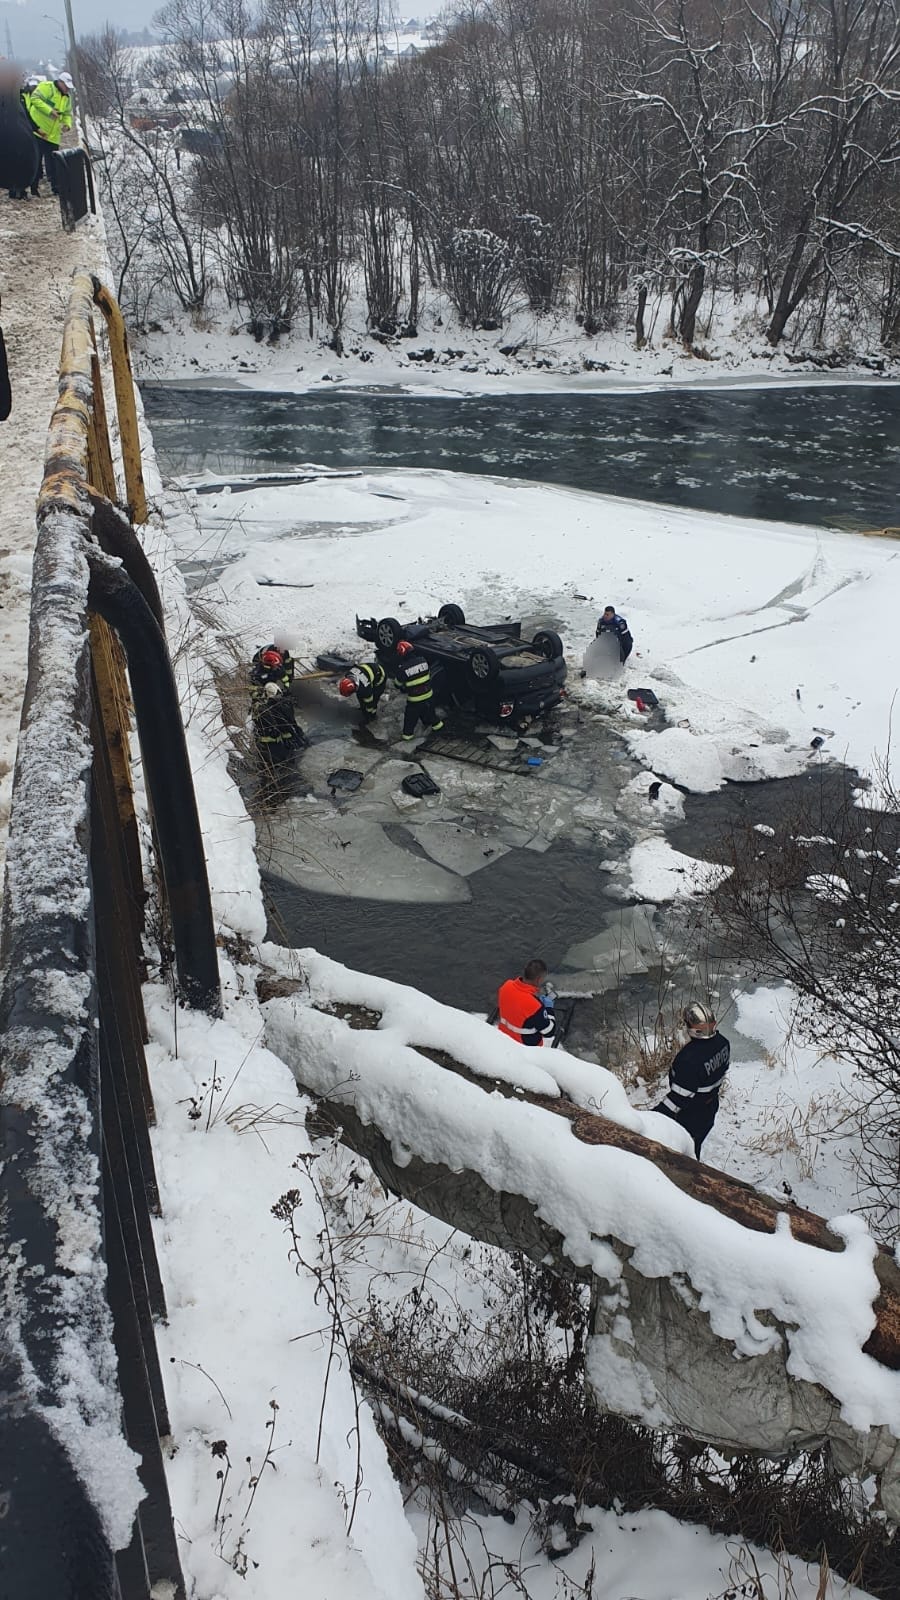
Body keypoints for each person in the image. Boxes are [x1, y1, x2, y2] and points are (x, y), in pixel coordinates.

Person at [653, 1002, 730, 1158]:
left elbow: (677, 1100)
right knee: (696, 1145)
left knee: (683, 1155)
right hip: (709, 1108)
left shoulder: (689, 1060)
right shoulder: (723, 1043)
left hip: (689, 1116)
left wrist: (652, 1118)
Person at [248, 645, 306, 767]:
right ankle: (270, 757)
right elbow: (254, 694)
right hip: (265, 707)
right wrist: (265, 695)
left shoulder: (279, 669)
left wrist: (282, 679)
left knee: (287, 725)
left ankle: (288, 743)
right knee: (270, 733)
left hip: (279, 701)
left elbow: (286, 684)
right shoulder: (257, 674)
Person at [24, 72, 75, 196]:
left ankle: (56, 188)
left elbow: (67, 114)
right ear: (60, 82)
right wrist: (49, 111)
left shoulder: (67, 97)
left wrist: (67, 124)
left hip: (53, 135)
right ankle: (33, 188)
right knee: (36, 161)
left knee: (53, 162)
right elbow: (34, 99)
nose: (67, 89)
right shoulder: (46, 87)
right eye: (66, 86)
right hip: (39, 131)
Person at [0, 63, 39, 200]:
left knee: (23, 160)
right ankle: (14, 188)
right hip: (11, 135)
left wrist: (35, 128)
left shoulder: (16, 97)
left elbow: (24, 115)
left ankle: (18, 188)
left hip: (20, 135)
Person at [497, 959, 557, 1047]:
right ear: (539, 979)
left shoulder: (506, 985)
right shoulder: (535, 1006)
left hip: (504, 1036)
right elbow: (549, 1032)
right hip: (525, 1047)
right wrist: (549, 1009)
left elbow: (516, 1003)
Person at [393, 638, 444, 741]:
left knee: (410, 720)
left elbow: (398, 684)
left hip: (415, 700)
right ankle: (439, 730)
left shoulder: (402, 668)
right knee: (431, 714)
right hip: (429, 695)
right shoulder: (422, 660)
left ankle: (407, 738)